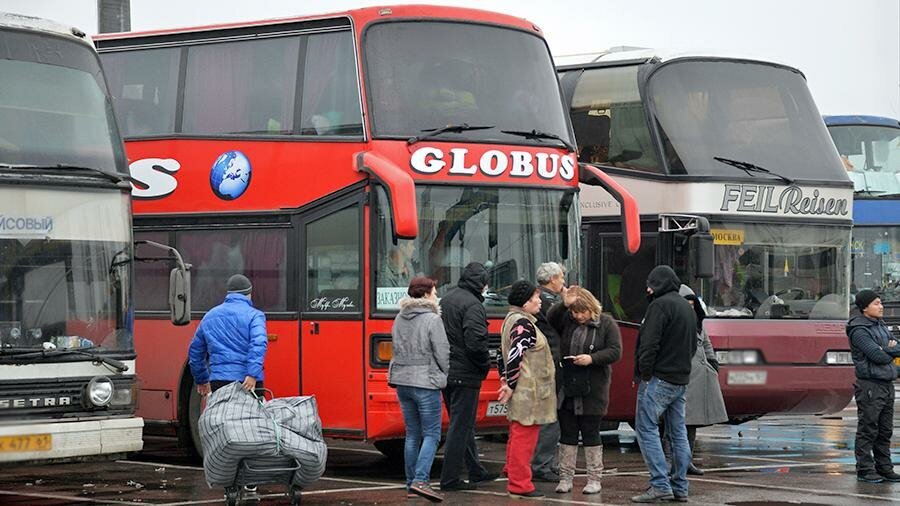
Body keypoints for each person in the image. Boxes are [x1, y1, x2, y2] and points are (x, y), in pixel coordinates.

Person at [631, 266, 696, 503]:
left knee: (646, 429)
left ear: (659, 284)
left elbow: (648, 345)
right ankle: (680, 486)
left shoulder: (658, 306)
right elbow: (693, 346)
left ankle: (659, 484)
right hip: (680, 379)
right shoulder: (686, 308)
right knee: (678, 433)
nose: (648, 289)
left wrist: (645, 373)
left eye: (651, 283)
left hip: (658, 379)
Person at [548, 286, 622, 494]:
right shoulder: (566, 321)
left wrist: (592, 359)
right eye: (575, 312)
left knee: (591, 433)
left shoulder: (606, 323)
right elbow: (551, 318)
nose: (579, 316)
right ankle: (565, 478)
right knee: (567, 433)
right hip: (567, 386)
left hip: (593, 389)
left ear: (591, 308)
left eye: (583, 312)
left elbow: (615, 351)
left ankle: (594, 479)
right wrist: (564, 304)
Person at [388, 277, 449, 502]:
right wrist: (445, 374)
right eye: (434, 291)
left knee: (412, 434)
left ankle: (410, 482)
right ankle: (421, 480)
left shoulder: (399, 318)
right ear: (425, 294)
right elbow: (442, 351)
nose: (436, 295)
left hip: (403, 382)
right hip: (426, 382)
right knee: (432, 433)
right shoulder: (433, 320)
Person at [439, 262, 499, 491]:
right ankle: (450, 478)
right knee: (460, 426)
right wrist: (485, 365)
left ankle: (476, 471)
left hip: (447, 370)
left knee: (461, 424)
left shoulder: (447, 299)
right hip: (465, 372)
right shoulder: (473, 305)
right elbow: (476, 343)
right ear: (481, 283)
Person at [497, 280, 557, 499]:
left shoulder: (509, 320)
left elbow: (500, 353)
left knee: (517, 434)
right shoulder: (524, 324)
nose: (539, 302)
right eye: (535, 298)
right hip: (529, 391)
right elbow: (515, 354)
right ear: (525, 303)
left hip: (523, 390)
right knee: (525, 437)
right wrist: (511, 384)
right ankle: (520, 483)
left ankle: (512, 471)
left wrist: (504, 379)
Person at [661, 285, 727, 476]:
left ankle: (685, 462)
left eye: (692, 305)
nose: (689, 308)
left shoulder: (698, 323)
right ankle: (671, 463)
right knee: (673, 424)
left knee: (691, 424)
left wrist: (712, 363)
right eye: (686, 304)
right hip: (679, 377)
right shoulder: (670, 321)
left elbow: (706, 343)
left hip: (699, 379)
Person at [846, 289, 900, 483]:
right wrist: (890, 350)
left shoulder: (881, 325)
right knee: (869, 428)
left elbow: (897, 348)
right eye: (877, 303)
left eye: (881, 302)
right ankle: (865, 470)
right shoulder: (859, 329)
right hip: (870, 385)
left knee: (885, 430)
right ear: (864, 307)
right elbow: (875, 355)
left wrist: (889, 350)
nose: (881, 306)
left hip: (886, 382)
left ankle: (884, 468)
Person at [188, 274, 267, 396]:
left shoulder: (209, 316)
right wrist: (252, 374)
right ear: (249, 293)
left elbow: (195, 352)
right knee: (252, 414)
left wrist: (202, 379)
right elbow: (259, 344)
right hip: (248, 382)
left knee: (222, 415)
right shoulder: (255, 315)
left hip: (219, 382)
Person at [530, 262, 566, 482]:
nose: (563, 281)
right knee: (550, 416)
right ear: (552, 279)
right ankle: (542, 464)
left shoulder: (538, 299)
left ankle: (542, 462)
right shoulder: (549, 302)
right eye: (561, 277)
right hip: (552, 364)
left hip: (545, 363)